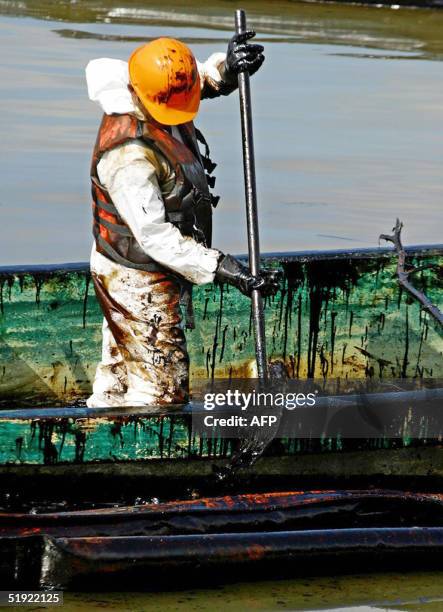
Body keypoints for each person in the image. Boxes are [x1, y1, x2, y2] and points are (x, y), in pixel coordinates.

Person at [85, 32, 279, 408]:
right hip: (135, 275)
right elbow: (154, 237)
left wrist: (227, 70)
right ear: (140, 95)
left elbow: (193, 84)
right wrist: (223, 267)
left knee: (121, 371)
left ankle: (104, 417)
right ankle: (136, 456)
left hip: (139, 264)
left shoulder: (150, 89)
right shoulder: (128, 158)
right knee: (162, 391)